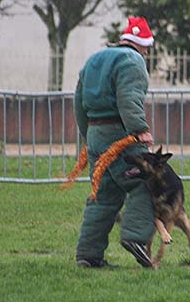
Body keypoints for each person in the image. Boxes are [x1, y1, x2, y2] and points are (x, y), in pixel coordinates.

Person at [74, 16, 156, 268]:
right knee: (147, 181)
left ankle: (88, 255)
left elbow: (78, 102)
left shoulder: (94, 59)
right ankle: (135, 238)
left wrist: (88, 136)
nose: (146, 52)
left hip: (96, 136)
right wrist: (140, 129)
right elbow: (128, 97)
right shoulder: (133, 61)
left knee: (103, 196)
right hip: (120, 136)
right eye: (147, 48)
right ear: (141, 45)